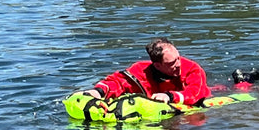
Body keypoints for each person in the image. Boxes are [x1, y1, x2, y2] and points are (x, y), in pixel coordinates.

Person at [83, 37, 211, 106]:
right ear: (157, 65)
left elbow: (195, 93)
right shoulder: (141, 70)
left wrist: (169, 96)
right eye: (172, 63)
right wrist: (98, 91)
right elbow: (118, 82)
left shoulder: (192, 68)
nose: (178, 64)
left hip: (201, 99)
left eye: (178, 58)